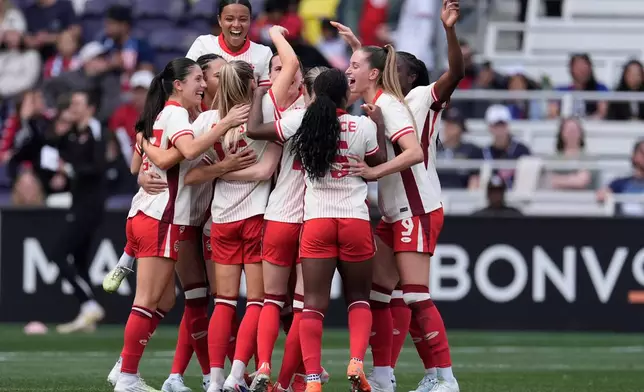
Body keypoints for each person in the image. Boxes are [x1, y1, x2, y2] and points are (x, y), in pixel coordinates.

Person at [334, 1, 464, 391]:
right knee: (379, 293)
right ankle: (384, 375)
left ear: (411, 76)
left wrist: (449, 31)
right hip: (394, 211)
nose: (394, 71)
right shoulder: (383, 103)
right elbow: (373, 70)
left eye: (399, 68)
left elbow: (456, 72)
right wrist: (360, 48)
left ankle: (444, 378)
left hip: (417, 206)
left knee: (416, 296)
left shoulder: (421, 97)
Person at [113, 57, 247, 392]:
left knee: (165, 302)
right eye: (198, 80)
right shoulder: (175, 114)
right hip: (161, 217)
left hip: (151, 215)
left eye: (206, 79)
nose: (203, 85)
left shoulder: (168, 116)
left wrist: (150, 156)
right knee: (146, 300)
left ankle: (125, 368)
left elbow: (152, 161)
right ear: (178, 85)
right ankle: (126, 374)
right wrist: (224, 123)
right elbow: (186, 150)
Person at [182, 60, 282, 392]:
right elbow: (264, 172)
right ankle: (237, 375)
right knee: (256, 301)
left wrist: (221, 169)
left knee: (223, 302)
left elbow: (191, 175)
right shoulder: (265, 116)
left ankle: (214, 380)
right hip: (254, 216)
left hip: (221, 219)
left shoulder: (210, 122)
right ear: (253, 85)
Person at [242, 25, 307, 392]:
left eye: (288, 71)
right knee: (299, 305)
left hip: (281, 215)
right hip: (308, 217)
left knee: (273, 301)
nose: (285, 73)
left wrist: (219, 172)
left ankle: (266, 367)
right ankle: (289, 377)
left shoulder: (286, 113)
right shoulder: (312, 114)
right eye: (277, 70)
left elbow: (266, 167)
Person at [47, 90, 108, 334]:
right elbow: (51, 149)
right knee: (80, 260)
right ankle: (87, 314)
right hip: (79, 201)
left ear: (90, 108)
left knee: (58, 253)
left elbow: (98, 167)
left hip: (90, 205)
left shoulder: (96, 131)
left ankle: (89, 304)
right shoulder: (74, 133)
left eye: (78, 103)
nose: (73, 107)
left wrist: (69, 169)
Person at [186, 0, 272, 88]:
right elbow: (186, 85)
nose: (236, 24)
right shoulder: (203, 44)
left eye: (243, 19)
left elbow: (268, 95)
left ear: (250, 20)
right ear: (219, 20)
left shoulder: (264, 53)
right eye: (229, 19)